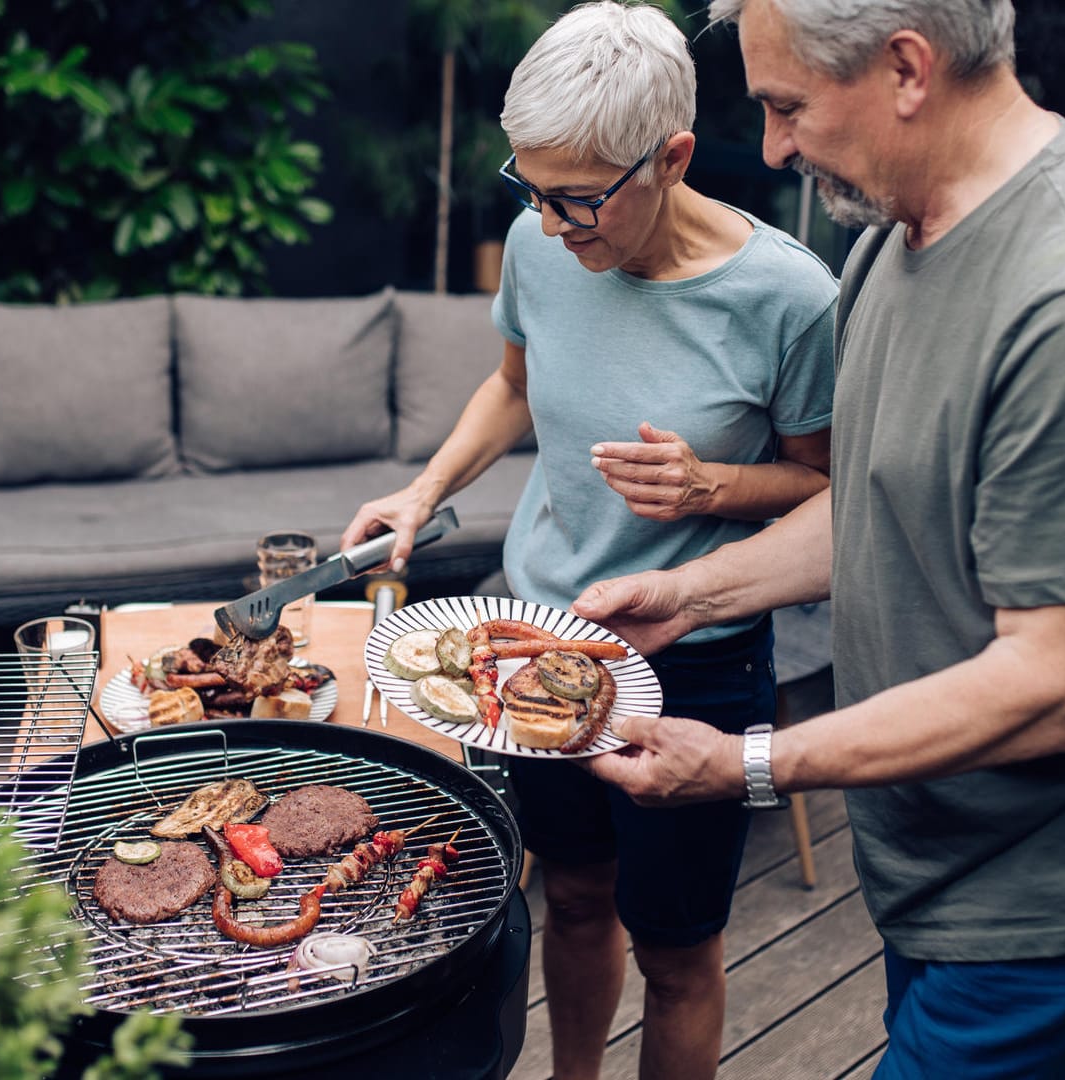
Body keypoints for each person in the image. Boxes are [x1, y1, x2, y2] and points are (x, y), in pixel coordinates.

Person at [574, 1, 1065, 1077]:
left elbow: (1060, 680)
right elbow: (883, 501)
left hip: (1051, 885)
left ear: (905, 70)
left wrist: (749, 763)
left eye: (788, 106)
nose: (775, 147)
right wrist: (693, 597)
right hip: (933, 848)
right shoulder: (894, 231)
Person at [339, 4, 838, 1076]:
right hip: (535, 642)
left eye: (578, 199)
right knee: (569, 899)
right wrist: (424, 492)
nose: (554, 228)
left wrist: (717, 482)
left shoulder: (792, 298)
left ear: (673, 158)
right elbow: (512, 386)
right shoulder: (539, 240)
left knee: (677, 952)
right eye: (533, 190)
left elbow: (832, 491)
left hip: (694, 667)